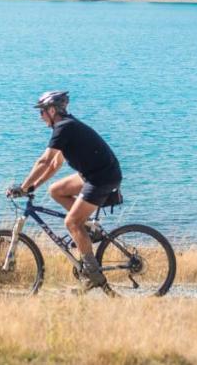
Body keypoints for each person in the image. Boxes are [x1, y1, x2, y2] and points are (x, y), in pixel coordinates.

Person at [7, 90, 122, 289]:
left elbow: (44, 160)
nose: (40, 116)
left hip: (101, 177)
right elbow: (54, 165)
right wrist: (33, 186)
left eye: (42, 112)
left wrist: (23, 187)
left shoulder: (64, 128)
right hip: (93, 173)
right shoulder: (66, 127)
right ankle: (86, 229)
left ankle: (93, 274)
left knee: (71, 222)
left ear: (52, 110)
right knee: (56, 190)